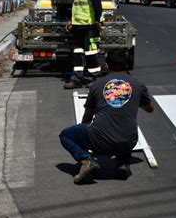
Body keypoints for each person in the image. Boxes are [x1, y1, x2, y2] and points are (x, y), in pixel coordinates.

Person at [59, 49, 154, 184]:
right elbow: (150, 109)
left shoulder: (97, 85)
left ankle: (86, 160)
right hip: (129, 141)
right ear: (126, 65)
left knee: (65, 135)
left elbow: (87, 117)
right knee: (124, 131)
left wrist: (85, 135)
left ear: (107, 66)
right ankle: (122, 163)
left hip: (100, 141)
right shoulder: (138, 85)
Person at [64, 0, 103, 89]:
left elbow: (97, 3)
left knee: (91, 53)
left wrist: (97, 20)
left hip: (89, 26)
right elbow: (77, 8)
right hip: (78, 26)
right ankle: (76, 78)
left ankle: (97, 78)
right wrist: (70, 21)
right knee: (77, 52)